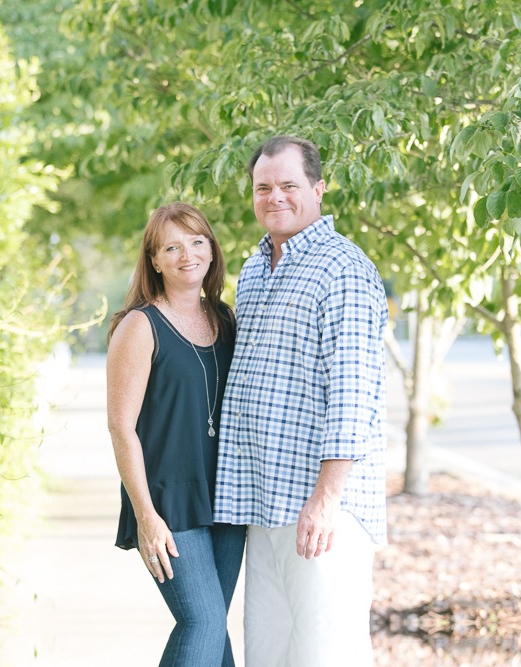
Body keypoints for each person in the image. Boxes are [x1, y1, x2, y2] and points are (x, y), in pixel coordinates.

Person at [214, 136, 389, 666]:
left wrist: (326, 498)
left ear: (317, 188)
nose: (275, 197)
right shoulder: (254, 271)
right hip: (263, 503)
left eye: (289, 185)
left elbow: (353, 394)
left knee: (325, 655)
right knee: (267, 656)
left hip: (321, 508)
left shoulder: (343, 269)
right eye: (263, 187)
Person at [106, 202, 246, 667]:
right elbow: (121, 427)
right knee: (202, 622)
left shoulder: (226, 321)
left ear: (212, 249)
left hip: (224, 493)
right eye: (172, 246)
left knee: (214, 623)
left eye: (197, 241)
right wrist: (146, 516)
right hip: (167, 500)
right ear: (155, 260)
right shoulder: (140, 326)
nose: (188, 254)